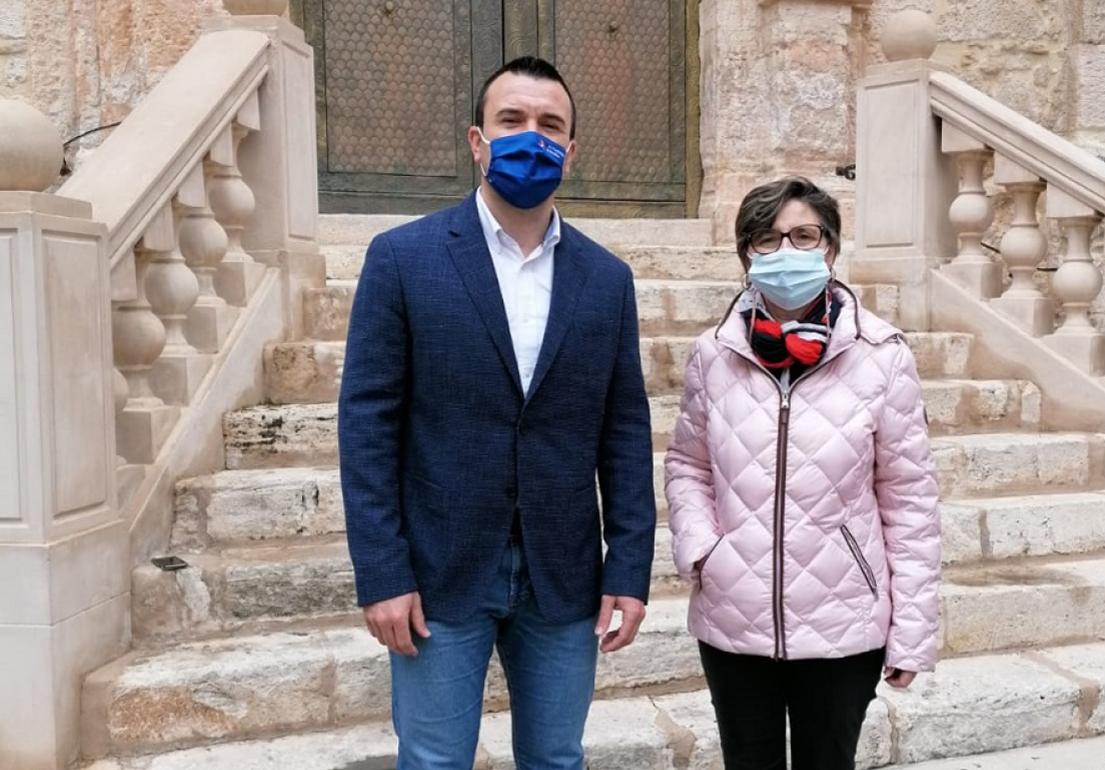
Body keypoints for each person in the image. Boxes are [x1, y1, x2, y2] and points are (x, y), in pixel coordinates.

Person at [338, 56, 656, 770]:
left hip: (562, 575)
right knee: (432, 758)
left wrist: (629, 567)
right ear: (477, 141)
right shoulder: (402, 259)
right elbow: (367, 424)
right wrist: (382, 571)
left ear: (571, 153)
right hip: (439, 569)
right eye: (512, 121)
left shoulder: (607, 280)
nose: (530, 138)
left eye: (550, 127)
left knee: (555, 757)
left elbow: (625, 431)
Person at [664, 177, 940, 770]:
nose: (786, 251)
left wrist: (913, 628)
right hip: (734, 616)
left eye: (804, 235)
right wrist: (703, 549)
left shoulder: (883, 356)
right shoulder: (714, 353)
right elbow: (688, 463)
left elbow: (909, 498)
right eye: (767, 239)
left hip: (844, 621)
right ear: (746, 255)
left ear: (830, 249)